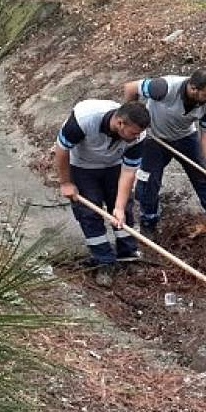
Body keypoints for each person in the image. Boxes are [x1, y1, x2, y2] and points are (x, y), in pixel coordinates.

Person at [55, 99, 150, 287]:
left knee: (125, 211)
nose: (135, 137)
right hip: (82, 166)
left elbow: (129, 171)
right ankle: (104, 260)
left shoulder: (138, 136)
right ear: (120, 123)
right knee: (89, 213)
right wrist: (66, 182)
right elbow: (62, 149)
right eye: (132, 133)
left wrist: (119, 208)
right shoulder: (85, 119)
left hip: (113, 166)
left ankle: (128, 253)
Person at [123, 67, 206, 234]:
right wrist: (134, 122)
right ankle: (148, 220)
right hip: (154, 138)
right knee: (148, 181)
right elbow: (131, 88)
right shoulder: (163, 87)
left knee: (204, 175)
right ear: (193, 89)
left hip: (185, 137)